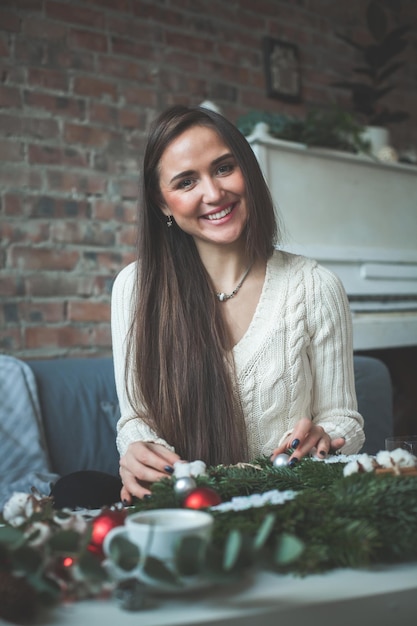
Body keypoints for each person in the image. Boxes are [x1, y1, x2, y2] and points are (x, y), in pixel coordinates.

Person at [111, 104, 365, 504]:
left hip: (290, 509)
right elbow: (136, 417)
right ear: (162, 204)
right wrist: (137, 450)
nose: (214, 193)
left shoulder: (315, 287)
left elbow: (342, 418)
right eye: (185, 182)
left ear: (248, 169)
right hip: (182, 513)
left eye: (224, 168)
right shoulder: (135, 288)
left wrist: (328, 439)